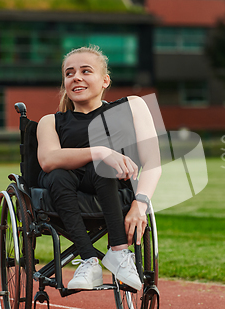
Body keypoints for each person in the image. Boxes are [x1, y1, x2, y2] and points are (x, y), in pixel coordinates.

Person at [36, 45, 161, 290]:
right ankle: (88, 260)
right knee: (60, 173)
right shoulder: (50, 121)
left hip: (114, 188)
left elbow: (153, 163)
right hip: (65, 189)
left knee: (103, 168)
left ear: (105, 80)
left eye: (85, 71)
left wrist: (141, 203)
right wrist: (101, 151)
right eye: (69, 73)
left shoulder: (133, 105)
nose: (76, 77)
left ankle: (119, 252)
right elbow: (48, 160)